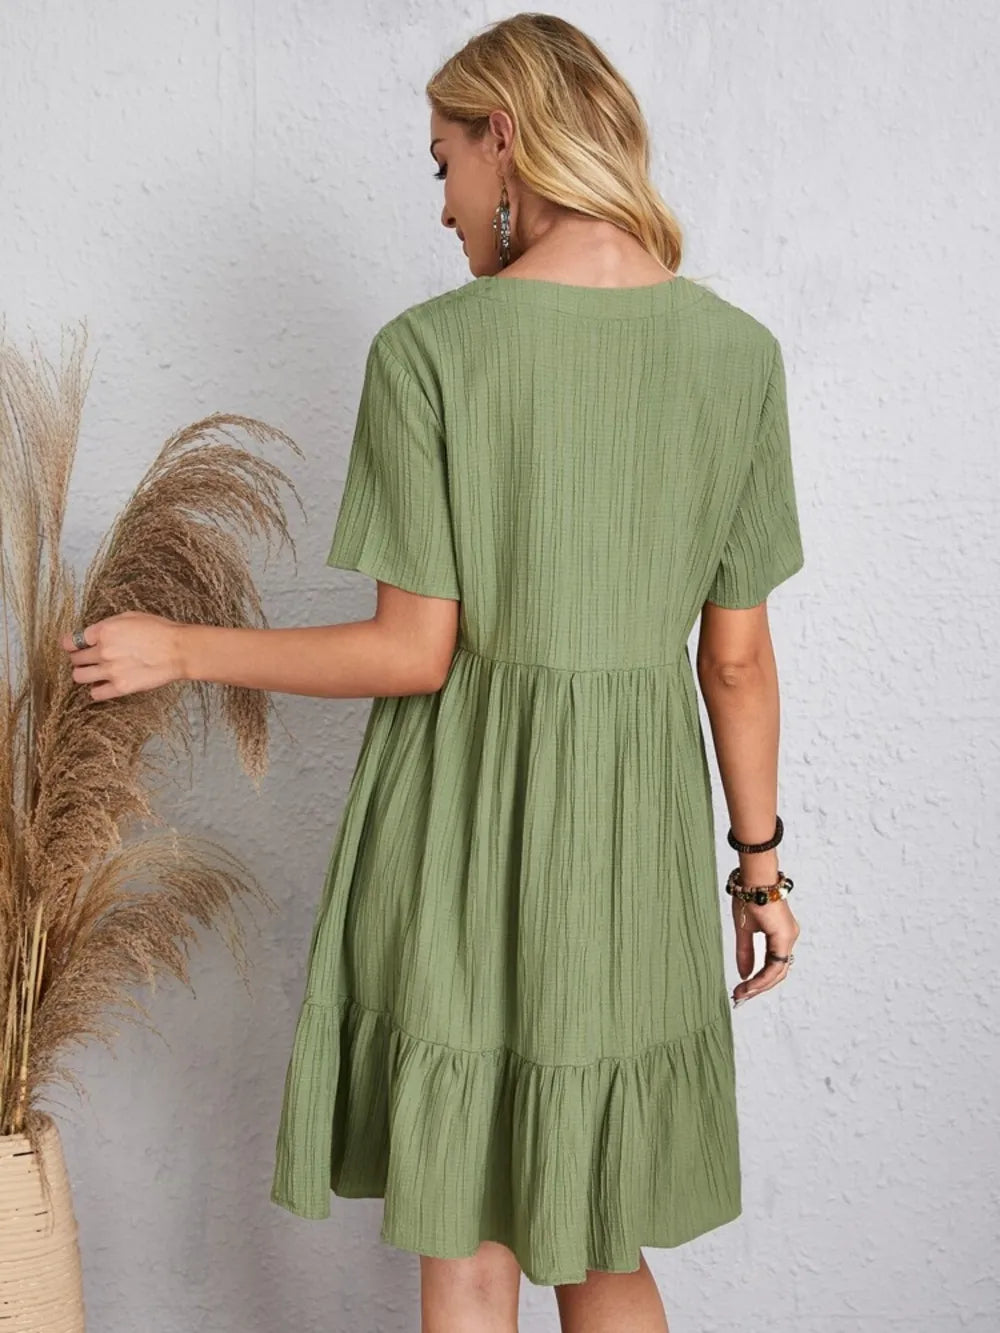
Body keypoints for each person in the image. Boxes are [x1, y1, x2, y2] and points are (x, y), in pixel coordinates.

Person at [61, 12, 805, 1331]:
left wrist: (182, 646)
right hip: (630, 848)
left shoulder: (435, 351)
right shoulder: (737, 355)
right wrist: (759, 869)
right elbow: (735, 661)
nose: (444, 202)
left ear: (505, 139)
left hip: (465, 832)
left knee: (467, 1239)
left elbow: (414, 651)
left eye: (443, 163)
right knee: (600, 1236)